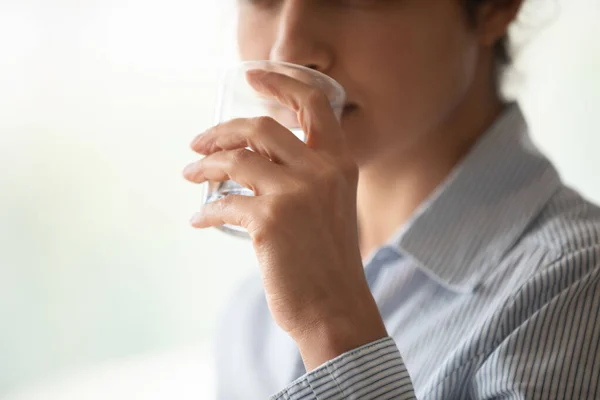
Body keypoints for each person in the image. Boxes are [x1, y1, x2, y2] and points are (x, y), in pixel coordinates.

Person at [183, 0, 600, 399]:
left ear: (496, 5)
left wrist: (333, 327)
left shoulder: (578, 288)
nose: (287, 50)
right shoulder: (253, 319)